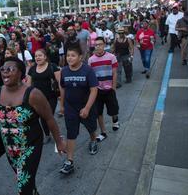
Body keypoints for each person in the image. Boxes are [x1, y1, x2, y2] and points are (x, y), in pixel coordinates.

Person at [0, 57, 66, 195]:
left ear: (21, 73)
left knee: (24, 185)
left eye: (10, 69)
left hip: (30, 147)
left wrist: (59, 142)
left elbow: (49, 119)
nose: (5, 72)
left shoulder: (33, 94)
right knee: (27, 183)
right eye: (3, 69)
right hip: (10, 148)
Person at [59, 45, 99, 174]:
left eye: (73, 55)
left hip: (86, 105)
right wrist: (62, 105)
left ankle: (93, 140)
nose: (69, 58)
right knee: (71, 132)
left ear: (80, 57)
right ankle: (69, 161)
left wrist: (87, 108)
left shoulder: (88, 70)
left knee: (91, 127)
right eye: (68, 55)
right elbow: (63, 88)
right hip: (70, 107)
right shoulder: (64, 71)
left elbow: (94, 90)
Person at [88, 37, 120, 142]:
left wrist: (114, 87)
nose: (98, 46)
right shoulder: (91, 60)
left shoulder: (111, 57)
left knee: (113, 109)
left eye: (100, 44)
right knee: (98, 112)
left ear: (104, 45)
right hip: (97, 90)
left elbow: (114, 72)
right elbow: (91, 76)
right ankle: (103, 132)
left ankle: (115, 120)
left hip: (109, 88)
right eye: (96, 45)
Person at [27, 49, 61, 144]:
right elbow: (28, 85)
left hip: (51, 96)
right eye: (36, 56)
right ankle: (47, 135)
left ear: (45, 57)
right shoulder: (32, 69)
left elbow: (60, 82)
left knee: (48, 116)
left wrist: (62, 97)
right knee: (42, 117)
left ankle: (56, 135)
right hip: (37, 99)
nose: (37, 57)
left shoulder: (52, 67)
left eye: (40, 55)